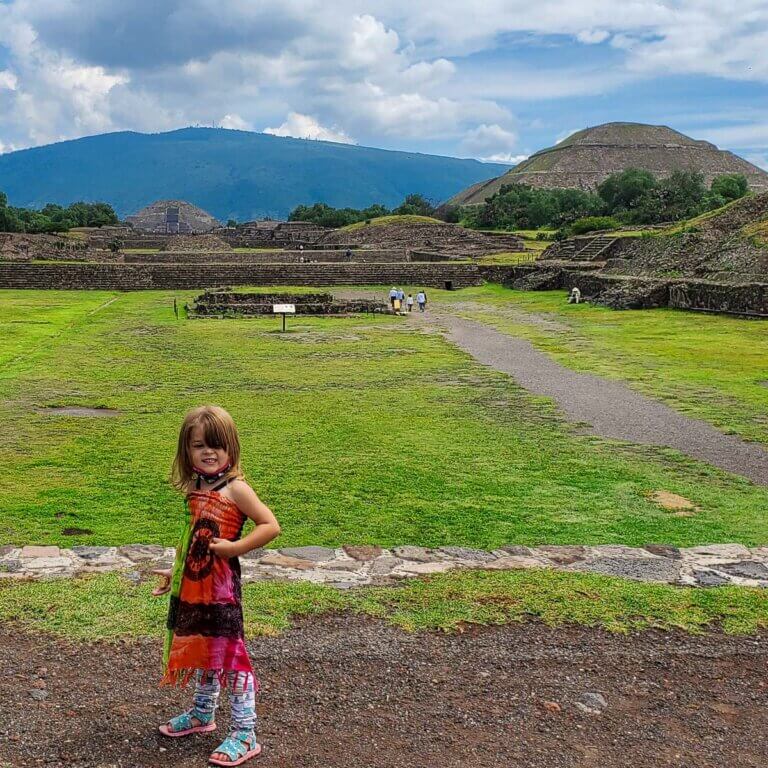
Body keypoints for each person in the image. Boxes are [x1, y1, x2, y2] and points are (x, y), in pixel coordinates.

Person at [153, 405, 281, 767]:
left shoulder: (236, 488)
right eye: (199, 446)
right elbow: (190, 536)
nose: (209, 453)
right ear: (187, 451)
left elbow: (269, 525)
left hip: (221, 589)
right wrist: (173, 573)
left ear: (231, 448)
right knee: (203, 650)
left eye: (217, 445)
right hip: (194, 586)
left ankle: (245, 732)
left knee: (231, 658)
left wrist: (235, 548)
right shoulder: (196, 486)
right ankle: (202, 713)